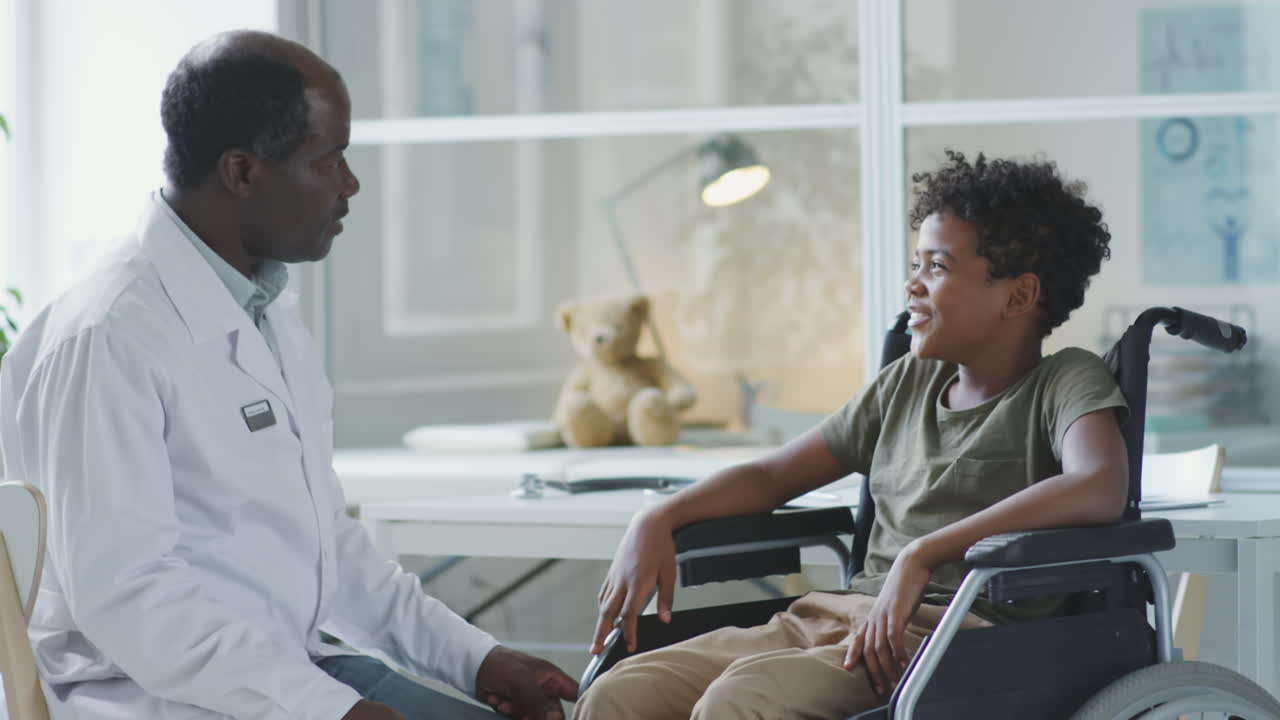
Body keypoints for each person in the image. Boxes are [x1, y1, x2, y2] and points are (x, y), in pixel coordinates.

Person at [0, 30, 577, 720]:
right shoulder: (109, 339)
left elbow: (326, 548)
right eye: (329, 159)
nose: (350, 185)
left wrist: (476, 658)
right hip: (149, 699)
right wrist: (332, 712)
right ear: (242, 173)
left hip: (288, 668)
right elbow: (132, 602)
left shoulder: (264, 311)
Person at [573, 150, 1128, 719]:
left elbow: (1098, 484)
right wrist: (659, 517)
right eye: (917, 264)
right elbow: (771, 476)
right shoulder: (905, 384)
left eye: (937, 267)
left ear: (1018, 295)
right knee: (619, 694)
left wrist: (923, 554)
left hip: (951, 639)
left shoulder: (1063, 381)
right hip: (834, 616)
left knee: (737, 706)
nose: (912, 285)